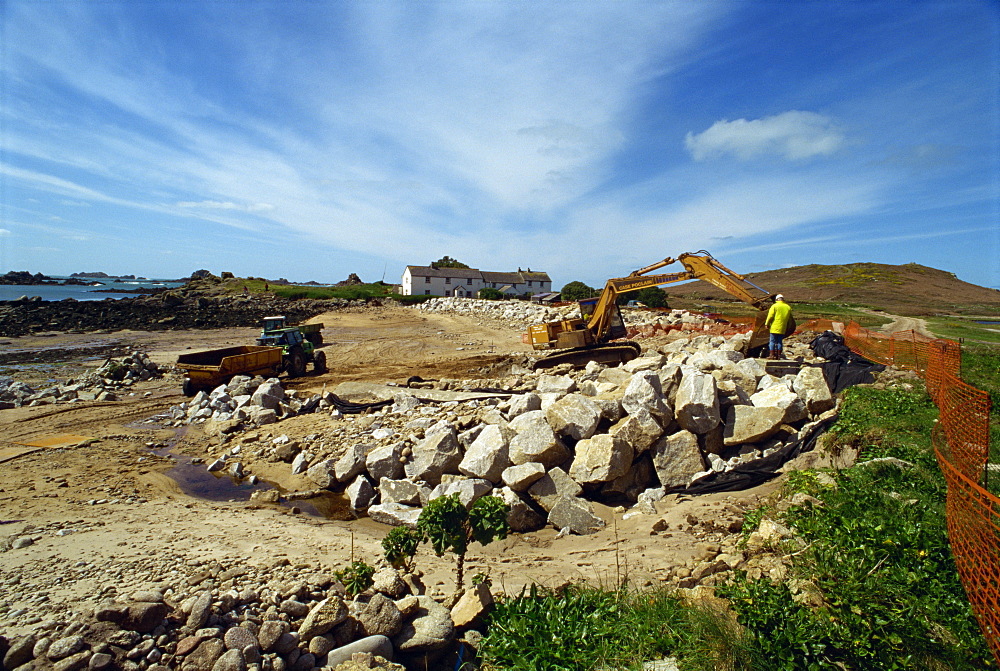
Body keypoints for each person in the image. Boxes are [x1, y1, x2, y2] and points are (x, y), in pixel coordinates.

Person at [764, 294, 792, 359]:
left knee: (772, 341)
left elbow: (770, 316)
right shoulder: (788, 307)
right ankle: (778, 355)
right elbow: (789, 319)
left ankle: (772, 355)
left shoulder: (774, 306)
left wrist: (767, 324)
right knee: (779, 341)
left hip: (774, 327)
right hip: (783, 327)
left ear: (777, 299)